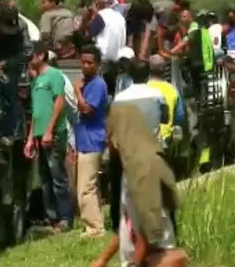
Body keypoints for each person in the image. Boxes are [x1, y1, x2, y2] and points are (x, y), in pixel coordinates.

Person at [90, 103, 187, 267]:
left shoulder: (145, 166)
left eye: (109, 132)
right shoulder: (130, 167)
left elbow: (149, 224)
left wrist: (134, 264)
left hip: (154, 261)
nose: (106, 140)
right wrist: (104, 259)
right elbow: (129, 224)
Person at [24, 41, 71, 233]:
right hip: (39, 136)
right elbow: (36, 111)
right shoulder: (36, 80)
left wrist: (50, 130)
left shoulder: (54, 75)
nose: (29, 59)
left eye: (32, 55)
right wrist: (30, 138)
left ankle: (65, 218)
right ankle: (52, 218)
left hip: (54, 135)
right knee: (44, 179)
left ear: (41, 55)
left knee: (57, 177)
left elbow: (59, 102)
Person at [70, 44, 108, 238]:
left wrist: (77, 91)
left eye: (89, 63)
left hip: (93, 140)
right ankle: (96, 222)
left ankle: (94, 228)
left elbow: (87, 109)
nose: (85, 66)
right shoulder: (88, 83)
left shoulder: (97, 85)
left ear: (98, 64)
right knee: (91, 186)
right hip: (85, 140)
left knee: (85, 188)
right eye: (83, 62)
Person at [0, 1, 33, 146]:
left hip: (12, 63)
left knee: (11, 96)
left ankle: (13, 133)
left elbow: (27, 51)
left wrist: (7, 63)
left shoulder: (22, 25)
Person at [113, 58, 168, 142]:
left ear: (129, 74)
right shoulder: (158, 95)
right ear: (148, 75)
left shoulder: (119, 98)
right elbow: (165, 119)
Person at [90, 0, 127, 94]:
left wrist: (93, 14)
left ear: (101, 1)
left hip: (103, 58)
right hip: (118, 58)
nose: (95, 1)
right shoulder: (119, 16)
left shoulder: (101, 16)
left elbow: (91, 32)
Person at [147, 55, 186, 148]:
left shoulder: (143, 89)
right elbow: (180, 118)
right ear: (164, 69)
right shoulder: (172, 90)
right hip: (165, 141)